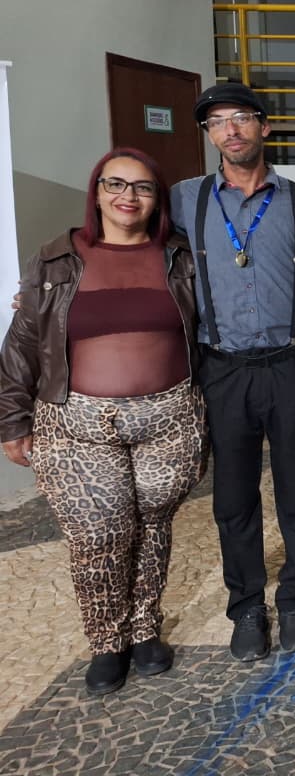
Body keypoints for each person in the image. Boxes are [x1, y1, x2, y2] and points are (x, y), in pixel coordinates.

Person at [0, 148, 205, 694]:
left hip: (169, 420)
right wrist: (12, 420)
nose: (127, 196)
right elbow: (23, 342)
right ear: (96, 192)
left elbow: (216, 318)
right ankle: (106, 640)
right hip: (76, 424)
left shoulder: (180, 257)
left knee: (153, 527)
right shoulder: (57, 259)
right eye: (115, 184)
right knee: (98, 534)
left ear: (157, 200)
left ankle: (144, 630)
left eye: (142, 187)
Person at [173, 81, 295, 662]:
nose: (231, 130)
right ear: (209, 135)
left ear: (264, 127)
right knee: (234, 497)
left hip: (291, 365)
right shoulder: (185, 200)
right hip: (222, 369)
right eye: (217, 122)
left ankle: (294, 598)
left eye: (241, 118)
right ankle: (246, 606)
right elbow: (131, 248)